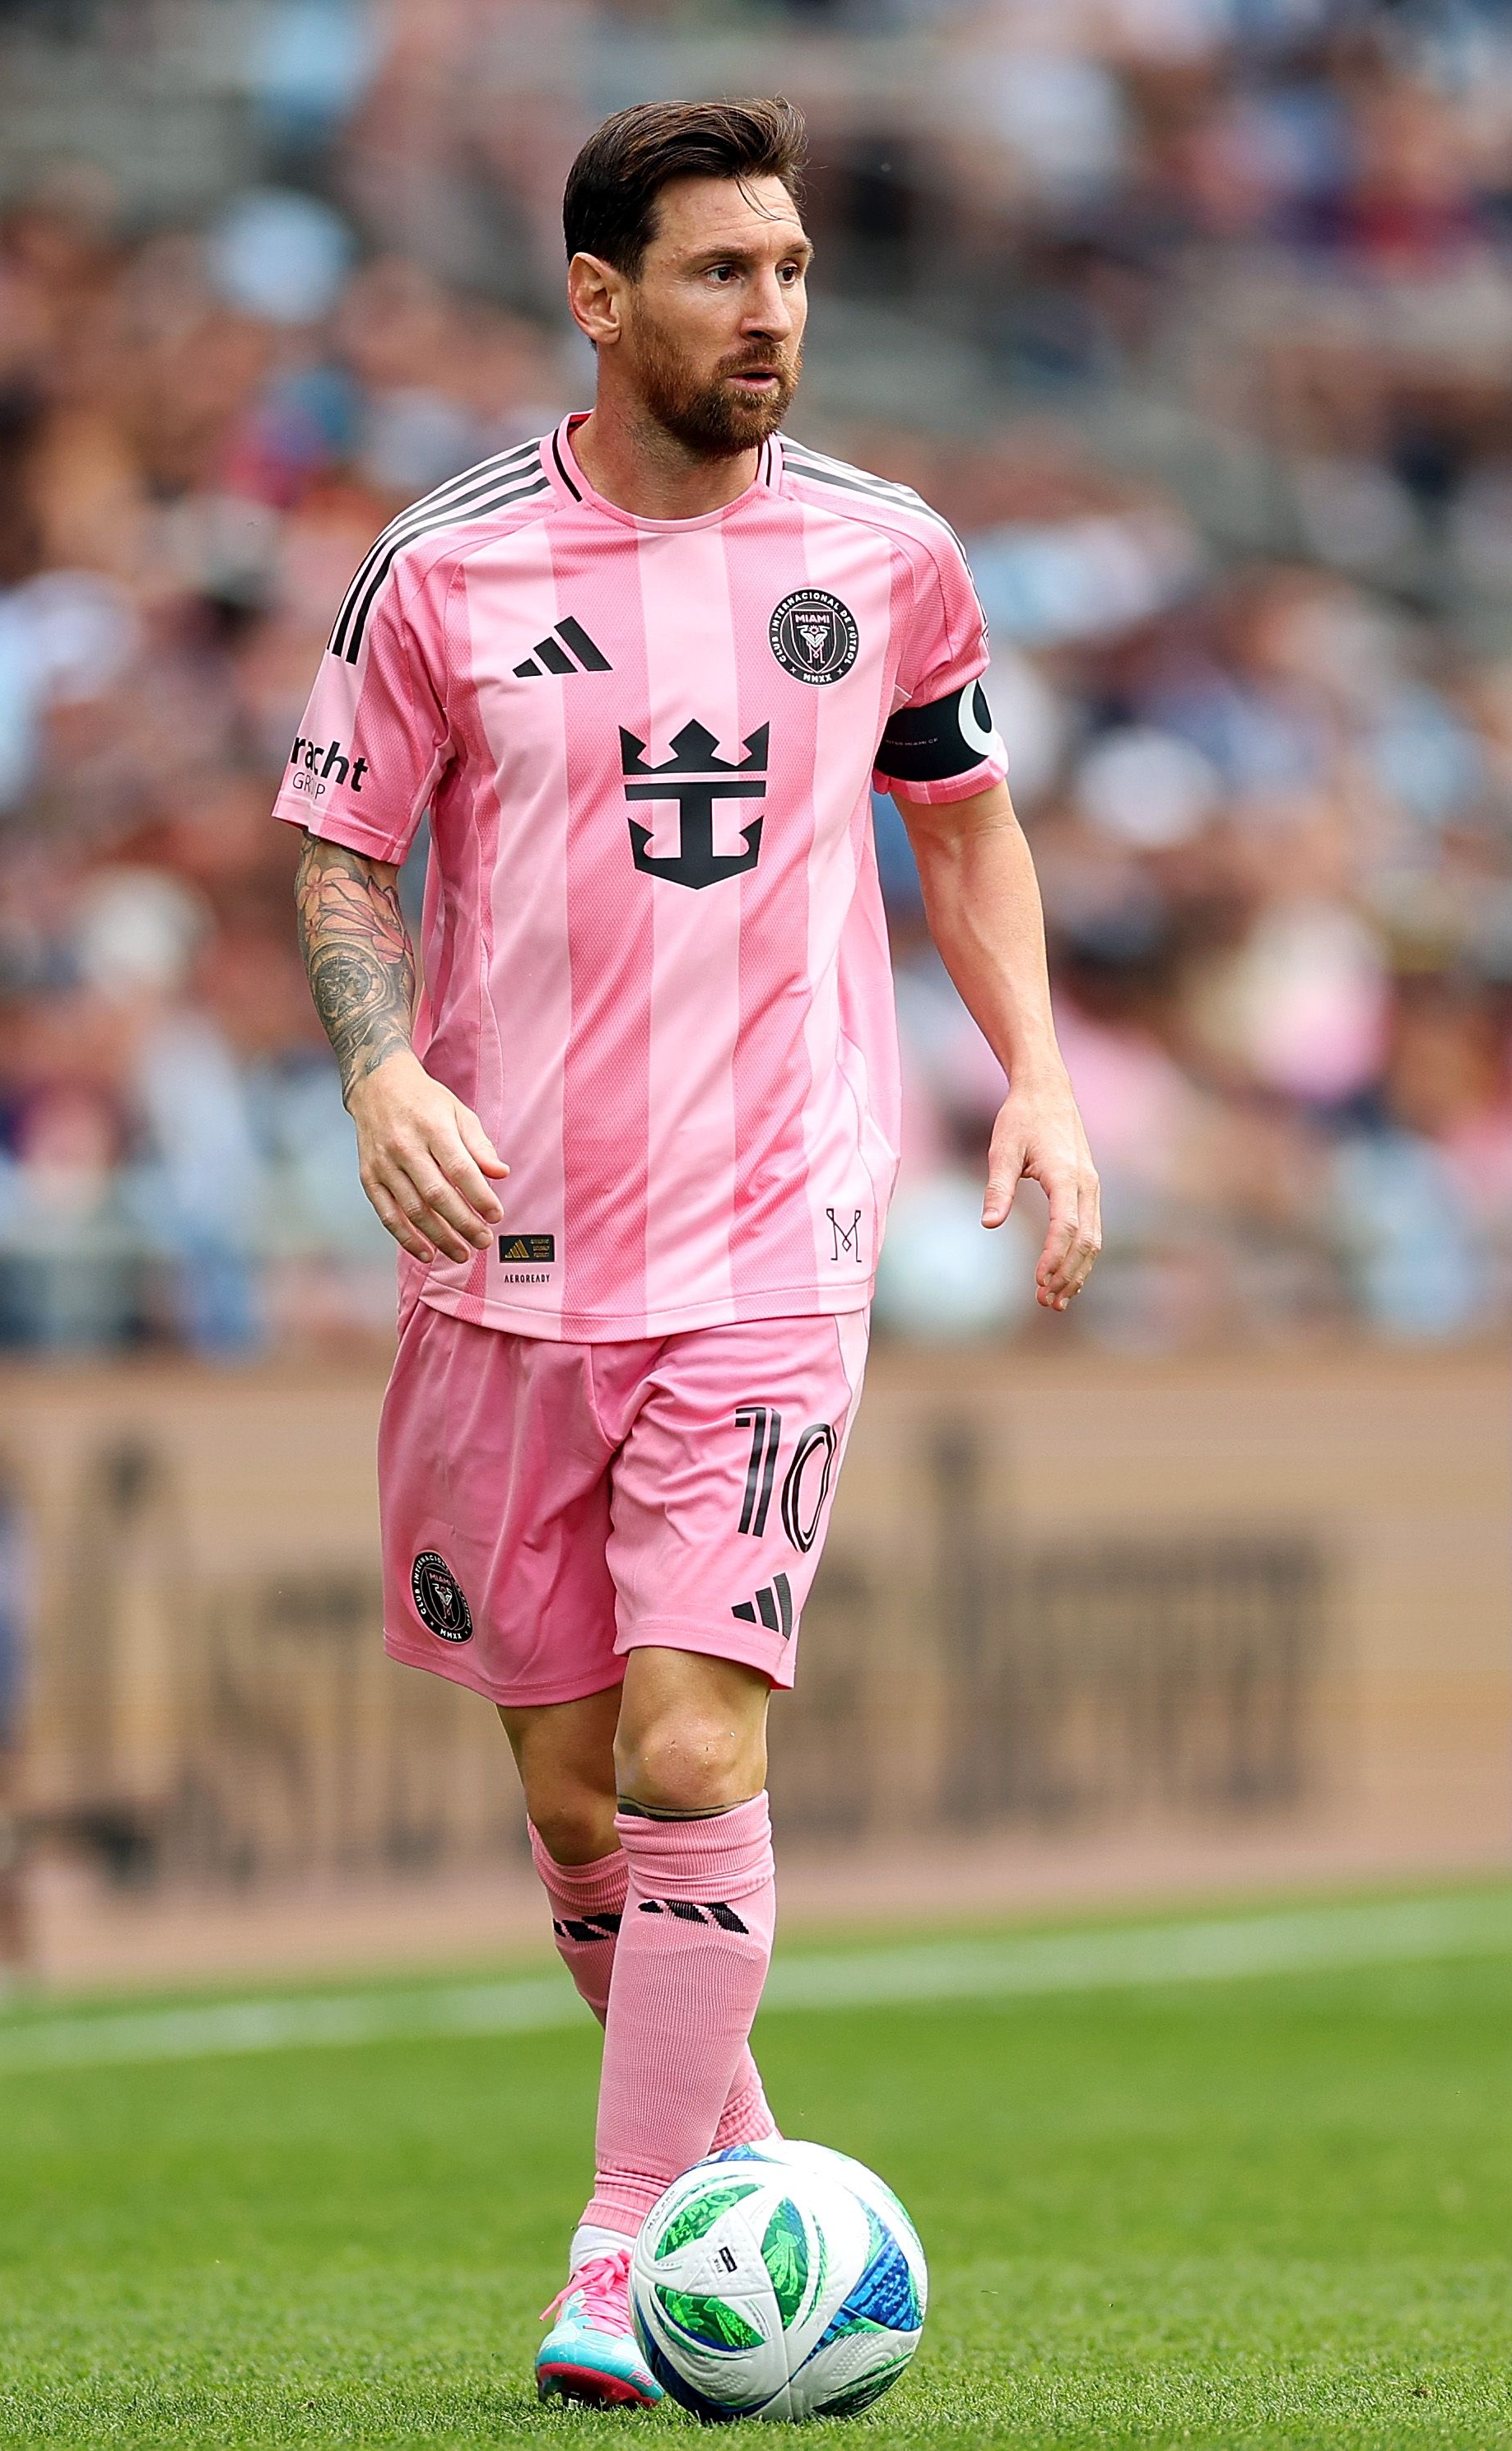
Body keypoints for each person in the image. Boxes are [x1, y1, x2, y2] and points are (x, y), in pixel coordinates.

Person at [274, 98, 1101, 2407]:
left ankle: (624, 2241)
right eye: (724, 271)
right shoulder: (443, 570)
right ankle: (752, 2197)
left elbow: (965, 823)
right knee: (574, 1808)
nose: (772, 313)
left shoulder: (889, 557)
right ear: (599, 295)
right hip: (503, 1259)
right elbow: (337, 851)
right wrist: (380, 1071)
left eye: (795, 270)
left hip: (768, 1242)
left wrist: (1038, 1077)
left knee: (686, 1735)